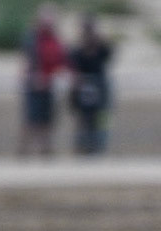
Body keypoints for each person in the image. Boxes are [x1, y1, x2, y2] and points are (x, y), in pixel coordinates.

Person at [18, 6, 65, 158]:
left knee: (47, 120)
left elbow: (60, 59)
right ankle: (24, 152)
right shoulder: (32, 38)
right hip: (34, 84)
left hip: (49, 84)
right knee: (31, 120)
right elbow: (27, 60)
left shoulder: (54, 39)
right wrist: (32, 78)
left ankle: (46, 151)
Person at [67, 15, 113, 156]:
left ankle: (99, 146)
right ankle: (83, 146)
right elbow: (74, 64)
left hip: (99, 85)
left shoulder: (100, 47)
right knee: (84, 117)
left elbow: (108, 55)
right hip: (84, 85)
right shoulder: (77, 50)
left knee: (100, 117)